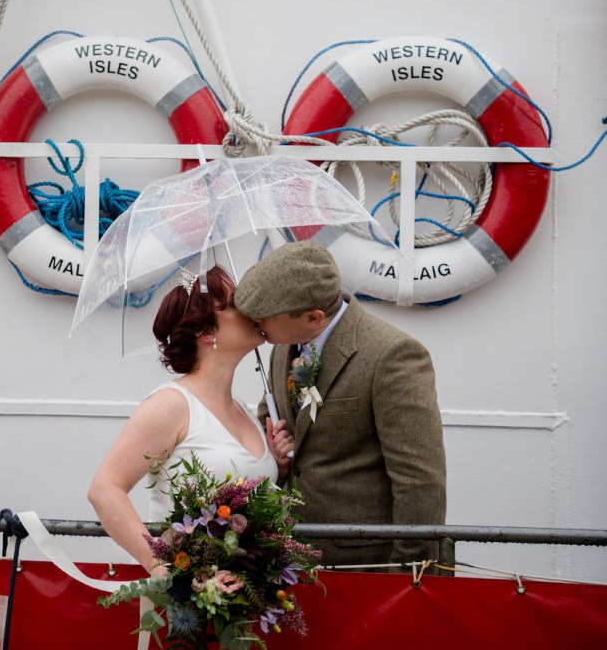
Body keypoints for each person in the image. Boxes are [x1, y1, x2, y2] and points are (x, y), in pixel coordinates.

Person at [234, 241, 446, 571]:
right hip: (293, 559)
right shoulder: (281, 349)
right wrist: (275, 452)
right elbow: (274, 420)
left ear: (313, 316)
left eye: (264, 318)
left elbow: (420, 482)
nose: (254, 322)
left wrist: (406, 578)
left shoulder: (393, 355)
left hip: (367, 564)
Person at [88, 265, 294, 576]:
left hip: (246, 596)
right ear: (206, 331)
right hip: (187, 599)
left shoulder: (243, 410)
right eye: (236, 303)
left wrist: (277, 468)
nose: (252, 308)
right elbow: (105, 489)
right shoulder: (171, 405)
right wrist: (165, 571)